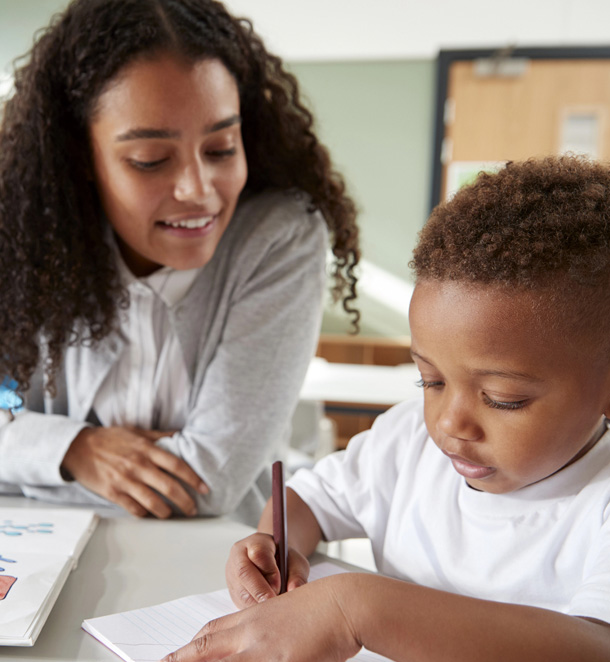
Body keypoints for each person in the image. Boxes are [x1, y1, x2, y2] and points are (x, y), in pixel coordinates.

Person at [158, 155, 610, 662]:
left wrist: (359, 608)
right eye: (431, 380)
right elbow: (306, 498)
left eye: (502, 398)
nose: (449, 424)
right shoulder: (404, 441)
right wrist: (272, 543)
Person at [0, 0, 360, 523]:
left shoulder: (279, 237)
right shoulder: (26, 241)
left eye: (220, 148)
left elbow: (207, 483)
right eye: (151, 160)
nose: (197, 190)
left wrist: (28, 457)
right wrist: (78, 450)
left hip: (218, 568)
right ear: (81, 156)